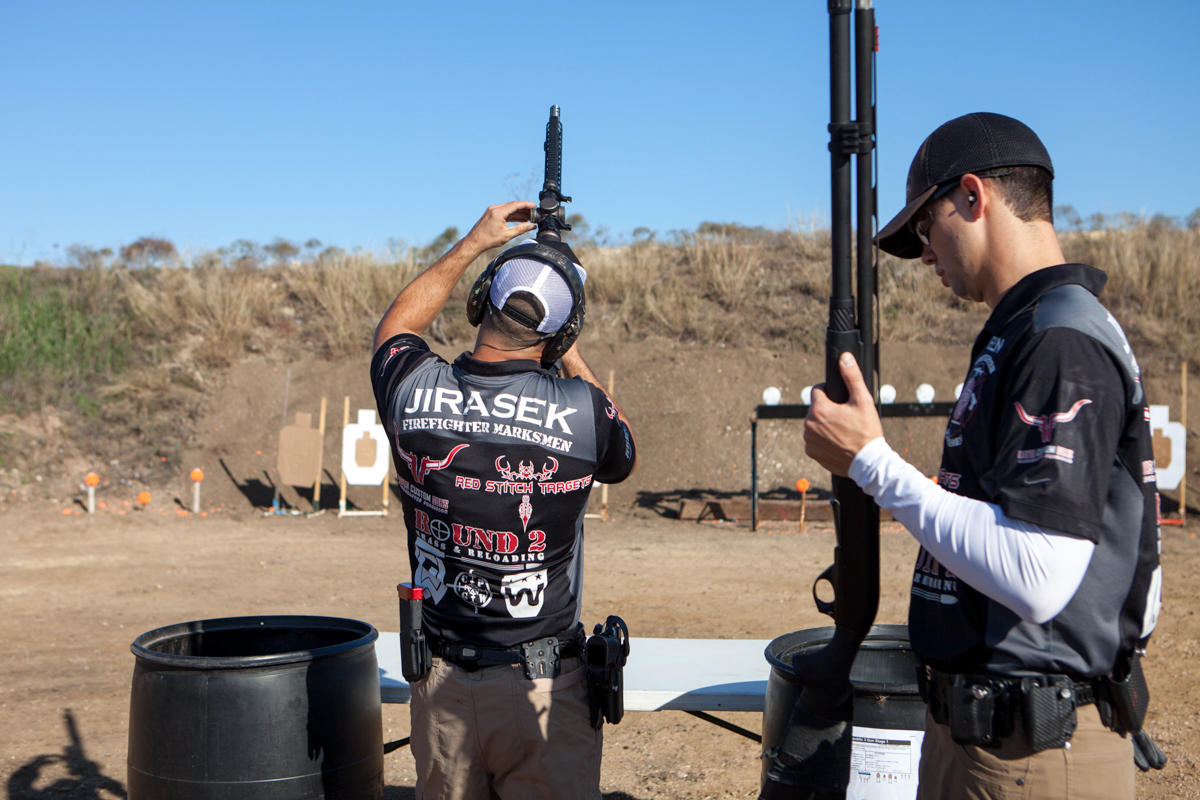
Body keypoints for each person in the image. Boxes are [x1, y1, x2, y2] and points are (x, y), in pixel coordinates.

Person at [803, 113, 1163, 799]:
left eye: (923, 227)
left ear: (973, 197)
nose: (924, 252)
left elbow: (1038, 574)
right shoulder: (1030, 330)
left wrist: (871, 464)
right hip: (992, 736)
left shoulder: (1059, 340)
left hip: (1029, 749)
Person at [371, 200, 637, 800]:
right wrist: (567, 346)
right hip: (544, 690)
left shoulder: (412, 388)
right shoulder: (585, 414)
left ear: (480, 302)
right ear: (562, 331)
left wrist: (475, 243)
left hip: (441, 688)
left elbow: (396, 329)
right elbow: (625, 452)